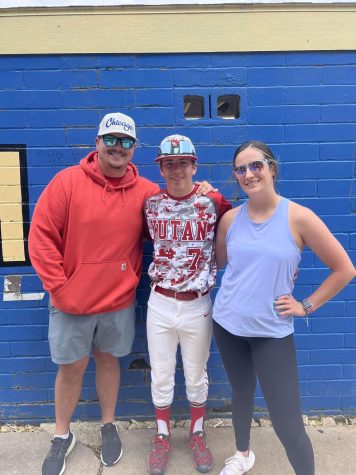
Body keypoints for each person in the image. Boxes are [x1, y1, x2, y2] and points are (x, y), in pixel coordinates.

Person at [28, 113, 212, 475]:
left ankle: (108, 425)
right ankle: (62, 436)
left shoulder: (145, 191)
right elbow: (41, 237)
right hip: (72, 302)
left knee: (109, 362)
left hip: (118, 301)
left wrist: (203, 191)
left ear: (134, 149)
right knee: (71, 369)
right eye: (111, 139)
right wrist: (60, 287)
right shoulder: (66, 183)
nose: (118, 147)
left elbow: (173, 214)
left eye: (126, 142)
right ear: (97, 143)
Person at [212, 141, 355, 475]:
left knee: (287, 422)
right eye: (241, 169)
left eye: (256, 165)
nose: (248, 174)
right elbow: (220, 264)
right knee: (241, 391)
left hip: (271, 333)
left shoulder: (299, 218)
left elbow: (344, 269)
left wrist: (306, 305)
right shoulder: (230, 219)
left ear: (272, 168)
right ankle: (243, 453)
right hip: (228, 324)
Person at [143, 134, 232, 475]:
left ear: (195, 165)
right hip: (161, 301)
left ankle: (197, 432)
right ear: (161, 167)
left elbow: (240, 229)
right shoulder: (150, 203)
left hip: (198, 302)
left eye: (183, 163)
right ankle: (162, 435)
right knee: (161, 374)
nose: (176, 169)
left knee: (197, 374)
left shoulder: (213, 201)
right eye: (169, 163)